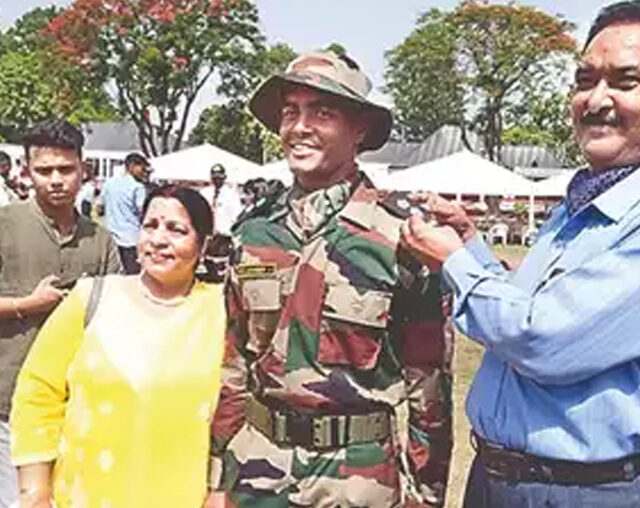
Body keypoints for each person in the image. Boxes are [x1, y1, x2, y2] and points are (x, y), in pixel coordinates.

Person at [399, 2, 640, 506]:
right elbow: (527, 305)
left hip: (585, 490)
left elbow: (541, 339)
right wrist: (471, 244)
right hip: (499, 479)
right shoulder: (579, 203)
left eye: (626, 81)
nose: (597, 99)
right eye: (585, 80)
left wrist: (452, 262)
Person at [207, 51, 453, 507]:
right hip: (258, 469)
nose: (300, 127)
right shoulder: (253, 232)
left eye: (322, 113)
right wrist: (219, 479)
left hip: (356, 479)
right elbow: (234, 363)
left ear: (359, 129)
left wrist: (425, 496)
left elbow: (429, 388)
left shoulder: (399, 238)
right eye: (290, 112)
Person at [10, 185, 226, 508]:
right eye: (150, 226)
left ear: (203, 245)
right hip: (85, 495)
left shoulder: (220, 311)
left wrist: (221, 490)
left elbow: (237, 410)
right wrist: (35, 492)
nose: (158, 239)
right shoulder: (91, 298)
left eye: (176, 230)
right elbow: (38, 393)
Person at [0, 118, 121, 508]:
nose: (56, 180)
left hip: (77, 407)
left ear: (84, 170)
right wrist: (26, 305)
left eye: (65, 169)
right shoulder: (5, 226)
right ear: (27, 171)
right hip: (8, 404)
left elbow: (119, 318)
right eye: (45, 170)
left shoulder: (100, 240)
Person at [102, 152, 152, 274]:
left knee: (113, 275)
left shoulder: (109, 183)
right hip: (131, 238)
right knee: (133, 275)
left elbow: (101, 205)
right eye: (142, 168)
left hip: (111, 237)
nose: (143, 172)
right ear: (132, 166)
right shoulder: (137, 187)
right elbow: (143, 211)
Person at [199, 164, 243, 281]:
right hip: (207, 234)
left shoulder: (231, 194)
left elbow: (237, 215)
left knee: (221, 263)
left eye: (219, 177)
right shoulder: (205, 193)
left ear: (224, 177)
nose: (217, 180)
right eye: (214, 177)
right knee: (208, 262)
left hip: (224, 234)